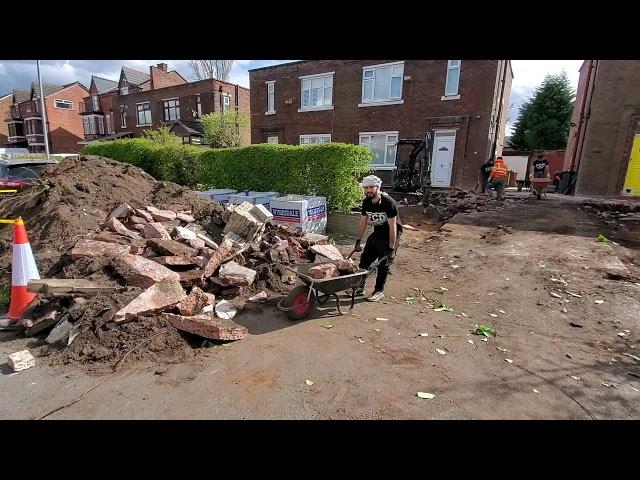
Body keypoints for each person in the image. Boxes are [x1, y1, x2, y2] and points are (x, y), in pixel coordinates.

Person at [354, 175, 403, 302]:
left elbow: (393, 226)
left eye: (371, 187)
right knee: (364, 260)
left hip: (390, 235)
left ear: (377, 187)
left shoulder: (388, 202)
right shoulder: (366, 202)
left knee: (383, 263)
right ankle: (359, 288)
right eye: (366, 188)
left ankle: (378, 291)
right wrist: (358, 240)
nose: (368, 190)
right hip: (377, 233)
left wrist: (391, 248)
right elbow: (363, 221)